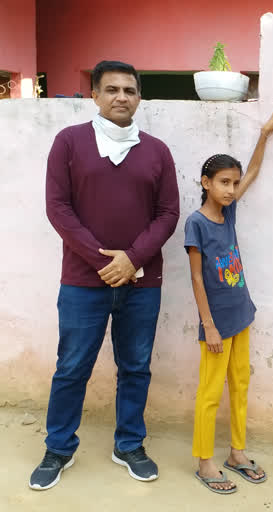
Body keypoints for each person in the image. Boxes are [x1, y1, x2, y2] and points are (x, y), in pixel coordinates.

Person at [30, 60, 180, 490]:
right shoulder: (70, 143)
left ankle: (129, 444)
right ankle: (58, 448)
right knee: (72, 367)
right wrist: (105, 263)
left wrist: (132, 260)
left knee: (135, 367)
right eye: (111, 89)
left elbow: (168, 213)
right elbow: (58, 209)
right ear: (94, 95)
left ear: (138, 98)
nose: (120, 97)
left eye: (129, 90)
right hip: (81, 282)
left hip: (141, 283)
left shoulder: (156, 151)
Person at [184, 103, 273, 494]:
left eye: (233, 183)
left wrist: (264, 133)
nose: (230, 189)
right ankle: (204, 460)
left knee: (240, 384)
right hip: (216, 325)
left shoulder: (228, 214)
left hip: (241, 315)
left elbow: (256, 171)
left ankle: (236, 452)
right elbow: (196, 278)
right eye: (223, 182)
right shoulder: (196, 223)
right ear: (205, 182)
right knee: (210, 392)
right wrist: (209, 325)